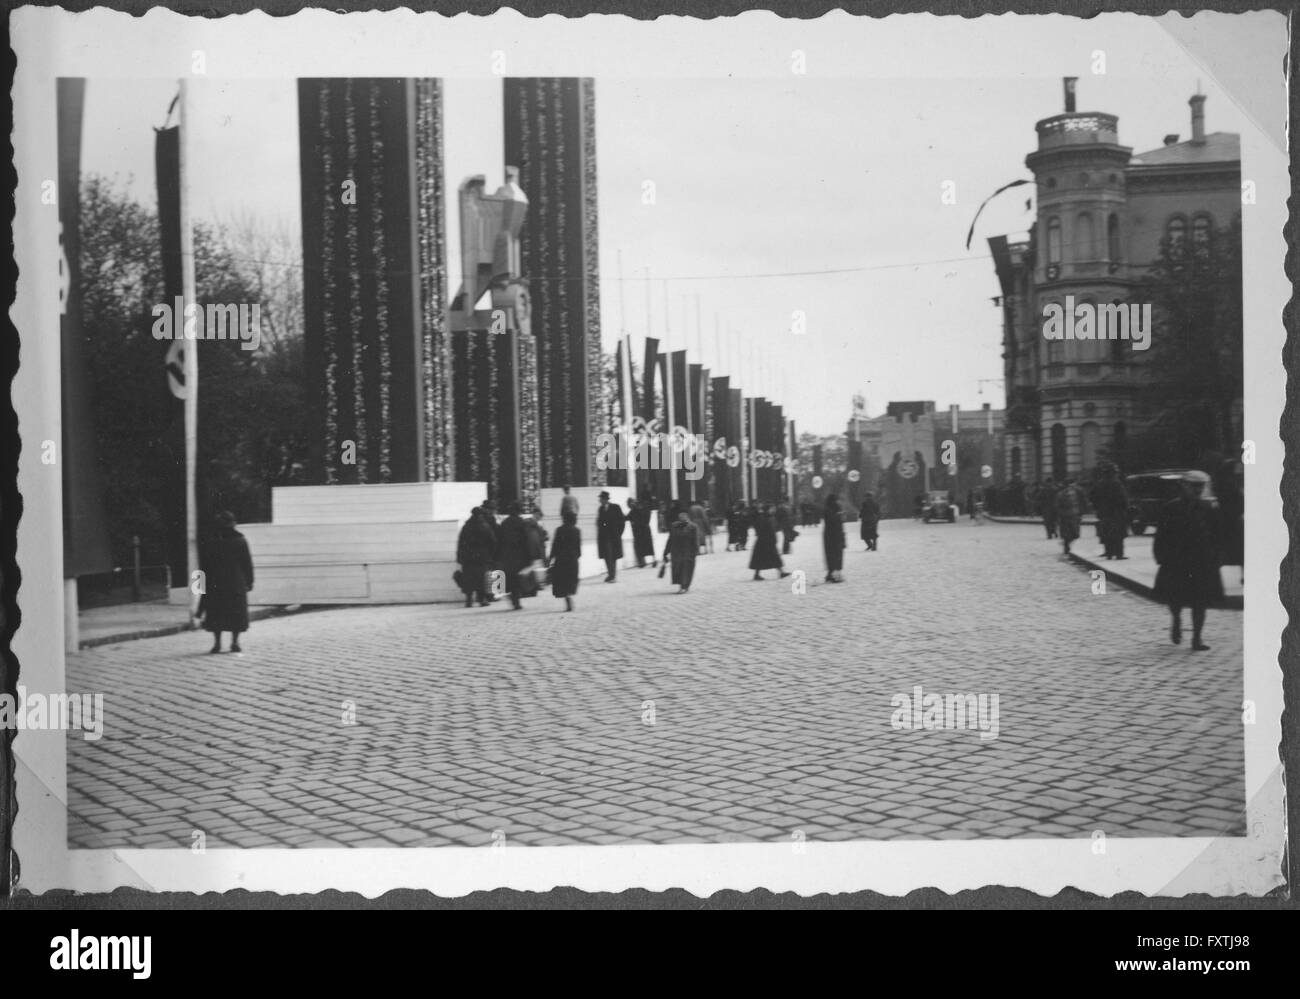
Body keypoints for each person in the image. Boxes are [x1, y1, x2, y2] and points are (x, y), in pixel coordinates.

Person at [1153, 470, 1223, 651]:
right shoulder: (1170, 508)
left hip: (1201, 561)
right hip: (1177, 561)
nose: (1198, 490)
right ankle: (1176, 620)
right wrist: (1161, 557)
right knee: (1175, 598)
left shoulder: (1208, 508)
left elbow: (1217, 535)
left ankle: (1197, 638)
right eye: (1194, 486)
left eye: (1201, 486)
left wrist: (1216, 558)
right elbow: (1161, 535)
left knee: (1200, 601)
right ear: (1184, 486)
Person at [199, 510, 254, 654]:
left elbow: (203, 565)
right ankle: (234, 642)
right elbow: (247, 563)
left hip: (215, 583)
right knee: (236, 614)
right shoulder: (240, 541)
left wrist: (199, 586)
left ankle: (217, 643)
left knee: (216, 613)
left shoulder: (211, 541)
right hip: (236, 583)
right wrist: (250, 581)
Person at [496, 501, 540, 610]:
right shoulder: (522, 523)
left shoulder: (504, 523)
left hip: (506, 555)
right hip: (520, 555)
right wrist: (531, 555)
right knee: (517, 577)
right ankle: (516, 600)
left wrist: (498, 555)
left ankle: (514, 598)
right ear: (519, 511)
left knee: (510, 577)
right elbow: (527, 540)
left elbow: (499, 540)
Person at [455, 506, 497, 607]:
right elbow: (492, 542)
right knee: (482, 578)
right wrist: (491, 554)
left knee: (469, 579)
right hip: (482, 557)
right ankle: (482, 600)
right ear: (481, 515)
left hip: (469, 557)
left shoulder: (466, 526)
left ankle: (469, 600)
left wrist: (460, 557)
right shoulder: (485, 526)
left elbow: (461, 543)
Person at [1089, 464, 1130, 560]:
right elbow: (1123, 498)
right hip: (1117, 513)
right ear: (1113, 473)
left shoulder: (1099, 484)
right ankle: (1119, 554)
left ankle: (1109, 554)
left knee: (1106, 534)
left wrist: (1098, 508)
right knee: (1118, 535)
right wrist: (1125, 509)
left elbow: (1091, 497)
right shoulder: (1117, 484)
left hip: (1103, 513)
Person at [548, 509, 582, 612]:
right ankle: (569, 596)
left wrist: (551, 558)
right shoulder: (577, 530)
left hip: (561, 560)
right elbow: (578, 549)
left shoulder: (559, 530)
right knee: (571, 580)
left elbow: (555, 546)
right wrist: (576, 556)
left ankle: (567, 598)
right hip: (572, 560)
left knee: (562, 581)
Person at [749, 504, 790, 581]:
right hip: (765, 541)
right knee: (771, 557)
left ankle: (780, 572)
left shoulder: (767, 517)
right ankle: (780, 572)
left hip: (767, 540)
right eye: (772, 509)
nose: (773, 510)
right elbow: (762, 529)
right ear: (767, 509)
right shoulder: (762, 517)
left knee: (765, 558)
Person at [665, 508, 701, 593]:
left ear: (688, 518)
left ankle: (684, 586)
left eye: (684, 518)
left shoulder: (693, 527)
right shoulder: (674, 526)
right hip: (677, 552)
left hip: (688, 551)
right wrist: (666, 552)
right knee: (679, 569)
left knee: (687, 568)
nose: (682, 519)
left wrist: (696, 551)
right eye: (680, 518)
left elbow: (696, 540)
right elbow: (670, 539)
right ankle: (683, 585)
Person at [595, 490, 626, 582]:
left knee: (613, 555)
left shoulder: (615, 507)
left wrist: (619, 533)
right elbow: (600, 522)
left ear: (605, 499)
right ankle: (610, 574)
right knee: (606, 555)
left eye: (601, 498)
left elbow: (622, 521)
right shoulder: (600, 509)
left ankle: (612, 575)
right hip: (604, 537)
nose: (600, 500)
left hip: (614, 536)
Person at [1055, 478, 1085, 555]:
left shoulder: (1076, 492)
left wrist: (1081, 512)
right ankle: (1066, 545)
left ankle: (1066, 543)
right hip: (1067, 515)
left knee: (1074, 533)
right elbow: (1058, 505)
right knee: (1068, 532)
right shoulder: (1061, 494)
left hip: (1073, 514)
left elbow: (1082, 502)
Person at [822, 494, 846, 583]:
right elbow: (831, 520)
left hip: (834, 534)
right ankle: (834, 576)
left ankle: (831, 574)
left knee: (834, 555)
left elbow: (840, 521)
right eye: (836, 500)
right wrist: (838, 515)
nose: (838, 502)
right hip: (832, 535)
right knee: (833, 555)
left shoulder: (835, 508)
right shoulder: (828, 509)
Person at [627, 498, 657, 568]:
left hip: (643, 531)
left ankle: (651, 561)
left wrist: (636, 522)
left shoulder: (638, 509)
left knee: (646, 547)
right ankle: (644, 562)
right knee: (642, 547)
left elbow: (644, 518)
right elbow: (628, 517)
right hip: (641, 531)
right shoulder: (634, 510)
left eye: (630, 504)